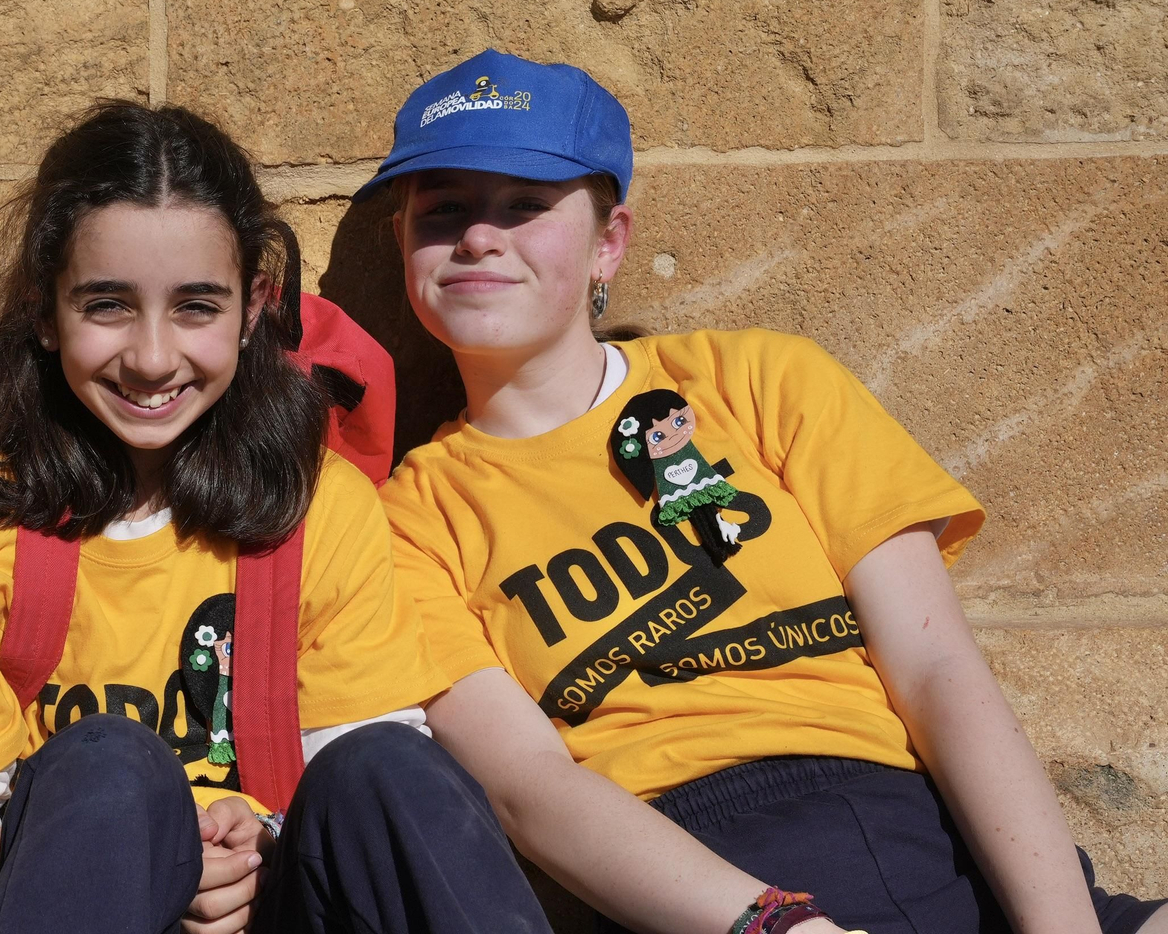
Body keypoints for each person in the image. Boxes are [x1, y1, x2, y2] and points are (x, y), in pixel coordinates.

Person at [365, 50, 1166, 934]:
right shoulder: (407, 522)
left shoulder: (759, 381)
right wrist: (772, 926)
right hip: (705, 880)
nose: (480, 236)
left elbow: (936, 668)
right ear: (403, 244)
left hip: (937, 832)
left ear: (610, 240)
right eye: (443, 211)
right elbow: (530, 790)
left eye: (525, 205)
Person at [0, 100, 552, 934]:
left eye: (196, 307)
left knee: (393, 764)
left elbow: (351, 761)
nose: (153, 357)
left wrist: (251, 843)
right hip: (70, 892)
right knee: (110, 760)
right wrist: (152, 862)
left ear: (254, 306)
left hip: (278, 897)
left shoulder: (319, 501)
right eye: (107, 305)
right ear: (46, 312)